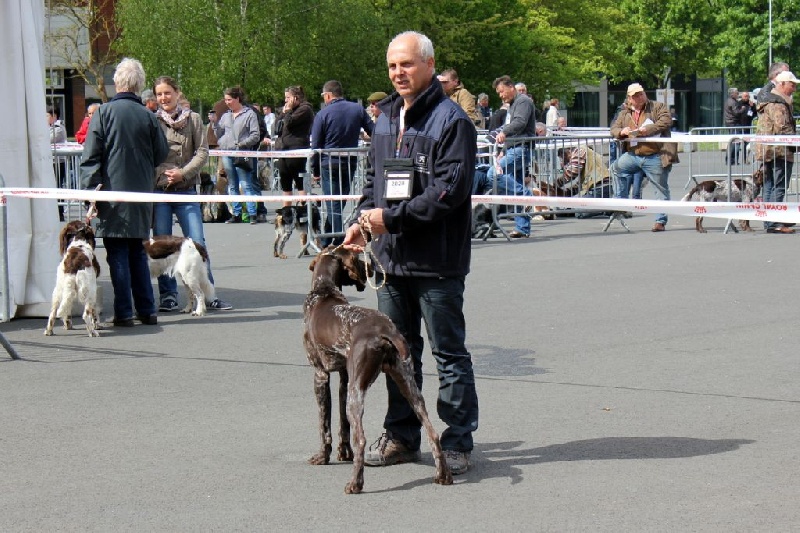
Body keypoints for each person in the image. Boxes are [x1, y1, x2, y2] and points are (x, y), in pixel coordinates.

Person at [343, 31, 478, 476]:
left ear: (429, 65)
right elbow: (373, 181)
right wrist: (363, 221)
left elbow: (448, 192)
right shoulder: (384, 119)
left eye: (406, 64)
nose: (398, 73)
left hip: (437, 261)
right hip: (391, 260)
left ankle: (457, 442)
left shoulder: (452, 121)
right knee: (397, 354)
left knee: (448, 354)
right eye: (392, 66)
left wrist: (391, 219)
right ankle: (402, 436)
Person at [80, 57, 169, 327]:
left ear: (117, 82)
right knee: (137, 252)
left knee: (117, 253)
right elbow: (161, 153)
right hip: (141, 193)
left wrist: (90, 193)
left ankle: (124, 312)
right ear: (139, 84)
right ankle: (147, 309)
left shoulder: (103, 113)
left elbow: (91, 156)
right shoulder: (149, 116)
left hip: (112, 194)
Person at [151, 76, 233, 313]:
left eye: (168, 93)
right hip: (161, 191)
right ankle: (168, 295)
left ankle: (209, 295)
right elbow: (149, 154)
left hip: (186, 190)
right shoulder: (153, 121)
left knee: (198, 243)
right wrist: (165, 173)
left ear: (177, 93)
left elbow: (202, 152)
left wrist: (183, 173)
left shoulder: (194, 119)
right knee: (162, 244)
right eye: (159, 94)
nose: (164, 98)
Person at [311, 80, 374, 247]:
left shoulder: (322, 114)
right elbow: (374, 131)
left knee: (333, 202)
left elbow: (315, 145)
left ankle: (339, 240)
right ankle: (326, 239)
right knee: (339, 202)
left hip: (329, 162)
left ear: (328, 95)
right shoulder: (357, 109)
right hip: (350, 161)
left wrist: (315, 170)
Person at [610, 82, 672, 232]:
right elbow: (613, 128)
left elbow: (666, 121)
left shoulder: (658, 107)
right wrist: (621, 132)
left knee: (660, 188)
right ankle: (622, 205)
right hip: (633, 154)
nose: (640, 97)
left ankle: (660, 221)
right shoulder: (624, 113)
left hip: (655, 155)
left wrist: (648, 129)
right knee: (616, 169)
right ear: (629, 99)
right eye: (635, 95)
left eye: (641, 93)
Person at [488, 74, 537, 238]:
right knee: (515, 183)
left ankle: (526, 196)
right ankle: (522, 228)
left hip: (520, 149)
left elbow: (520, 122)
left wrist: (504, 132)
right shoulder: (513, 104)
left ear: (511, 87)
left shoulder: (523, 101)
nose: (501, 96)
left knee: (493, 174)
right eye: (498, 93)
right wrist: (503, 149)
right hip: (513, 148)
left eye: (502, 92)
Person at [755, 70, 799, 234]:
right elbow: (783, 127)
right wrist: (796, 143)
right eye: (791, 85)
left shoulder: (770, 101)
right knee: (778, 186)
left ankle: (770, 220)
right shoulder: (778, 104)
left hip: (769, 150)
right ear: (781, 84)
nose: (794, 88)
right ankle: (774, 222)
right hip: (779, 151)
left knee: (769, 186)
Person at [210, 86, 261, 224]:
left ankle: (252, 213)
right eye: (226, 100)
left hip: (242, 153)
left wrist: (242, 144)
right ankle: (236, 213)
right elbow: (219, 134)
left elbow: (255, 135)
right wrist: (214, 124)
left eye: (229, 99)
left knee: (246, 183)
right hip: (227, 153)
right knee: (232, 184)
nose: (227, 102)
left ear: (237, 99)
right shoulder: (226, 116)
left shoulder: (249, 114)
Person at [275, 85, 314, 207]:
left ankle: (305, 210)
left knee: (300, 181)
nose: (285, 100)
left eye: (288, 97)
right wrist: (283, 113)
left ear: (295, 98)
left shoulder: (305, 109)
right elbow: (276, 127)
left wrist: (288, 111)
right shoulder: (287, 110)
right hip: (283, 149)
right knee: (285, 183)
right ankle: (286, 212)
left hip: (297, 149)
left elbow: (290, 122)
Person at [724, 87, 747, 164]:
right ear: (732, 94)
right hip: (734, 123)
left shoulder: (730, 101)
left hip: (731, 123)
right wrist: (743, 109)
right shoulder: (732, 102)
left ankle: (731, 159)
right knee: (735, 142)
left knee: (733, 142)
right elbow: (736, 113)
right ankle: (731, 159)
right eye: (737, 93)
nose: (738, 94)